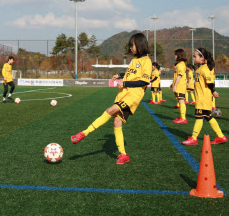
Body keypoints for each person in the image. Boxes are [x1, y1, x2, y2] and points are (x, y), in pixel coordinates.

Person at [70, 33, 152, 165]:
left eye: (133, 45)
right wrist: (120, 75)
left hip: (133, 96)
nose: (131, 47)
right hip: (124, 94)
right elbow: (131, 75)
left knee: (110, 110)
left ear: (140, 44)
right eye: (130, 45)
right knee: (117, 123)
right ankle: (124, 155)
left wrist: (125, 83)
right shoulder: (134, 60)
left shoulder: (146, 61)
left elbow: (144, 81)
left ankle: (83, 133)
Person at [182, 47, 228, 145]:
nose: (193, 58)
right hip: (202, 98)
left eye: (195, 56)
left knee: (199, 117)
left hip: (203, 98)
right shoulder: (200, 68)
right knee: (208, 117)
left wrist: (213, 91)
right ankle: (220, 136)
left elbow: (210, 82)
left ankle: (194, 138)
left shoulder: (205, 69)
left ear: (202, 57)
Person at [171, 49, 189, 123]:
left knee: (181, 101)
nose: (175, 56)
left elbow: (179, 76)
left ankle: (183, 118)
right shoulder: (179, 64)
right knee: (180, 100)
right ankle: (181, 116)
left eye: (176, 54)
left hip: (180, 86)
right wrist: (172, 84)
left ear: (179, 55)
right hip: (178, 85)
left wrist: (175, 86)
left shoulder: (181, 65)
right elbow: (176, 76)